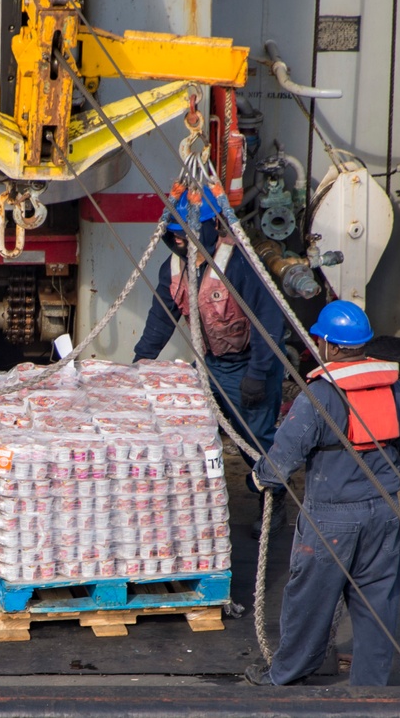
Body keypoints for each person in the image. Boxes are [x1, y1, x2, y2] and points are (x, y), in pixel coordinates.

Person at [244, 300, 400, 687]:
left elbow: (281, 462)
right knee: (378, 604)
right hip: (384, 511)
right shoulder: (392, 388)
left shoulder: (319, 397)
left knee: (309, 601)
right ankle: (370, 690)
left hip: (332, 519)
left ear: (330, 345)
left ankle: (288, 675)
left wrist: (258, 478)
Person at [133, 185, 287, 537]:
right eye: (171, 235)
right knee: (187, 429)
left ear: (210, 227)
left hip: (250, 363)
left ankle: (273, 501)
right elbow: (162, 316)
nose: (178, 242)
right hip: (209, 363)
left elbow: (269, 323)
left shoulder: (240, 265)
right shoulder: (172, 267)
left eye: (184, 234)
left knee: (257, 438)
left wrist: (258, 375)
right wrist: (142, 359)